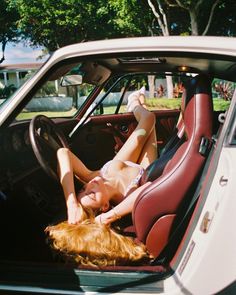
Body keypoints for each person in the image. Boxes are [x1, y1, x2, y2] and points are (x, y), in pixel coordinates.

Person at [56, 86, 157, 226]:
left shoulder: (92, 177)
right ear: (105, 206)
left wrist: (71, 202)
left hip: (119, 164)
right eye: (91, 194)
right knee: (150, 119)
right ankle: (135, 102)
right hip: (144, 170)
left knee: (148, 119)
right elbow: (149, 187)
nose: (89, 186)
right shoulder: (126, 197)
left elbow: (63, 153)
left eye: (83, 189)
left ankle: (135, 102)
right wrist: (108, 217)